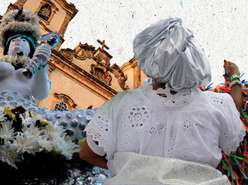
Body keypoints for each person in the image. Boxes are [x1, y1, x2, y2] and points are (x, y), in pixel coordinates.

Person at [80, 18, 245, 185]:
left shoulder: (122, 104)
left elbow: (87, 153)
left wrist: (125, 169)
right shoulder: (216, 105)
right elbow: (233, 106)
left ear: (150, 60)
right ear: (196, 61)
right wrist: (234, 77)